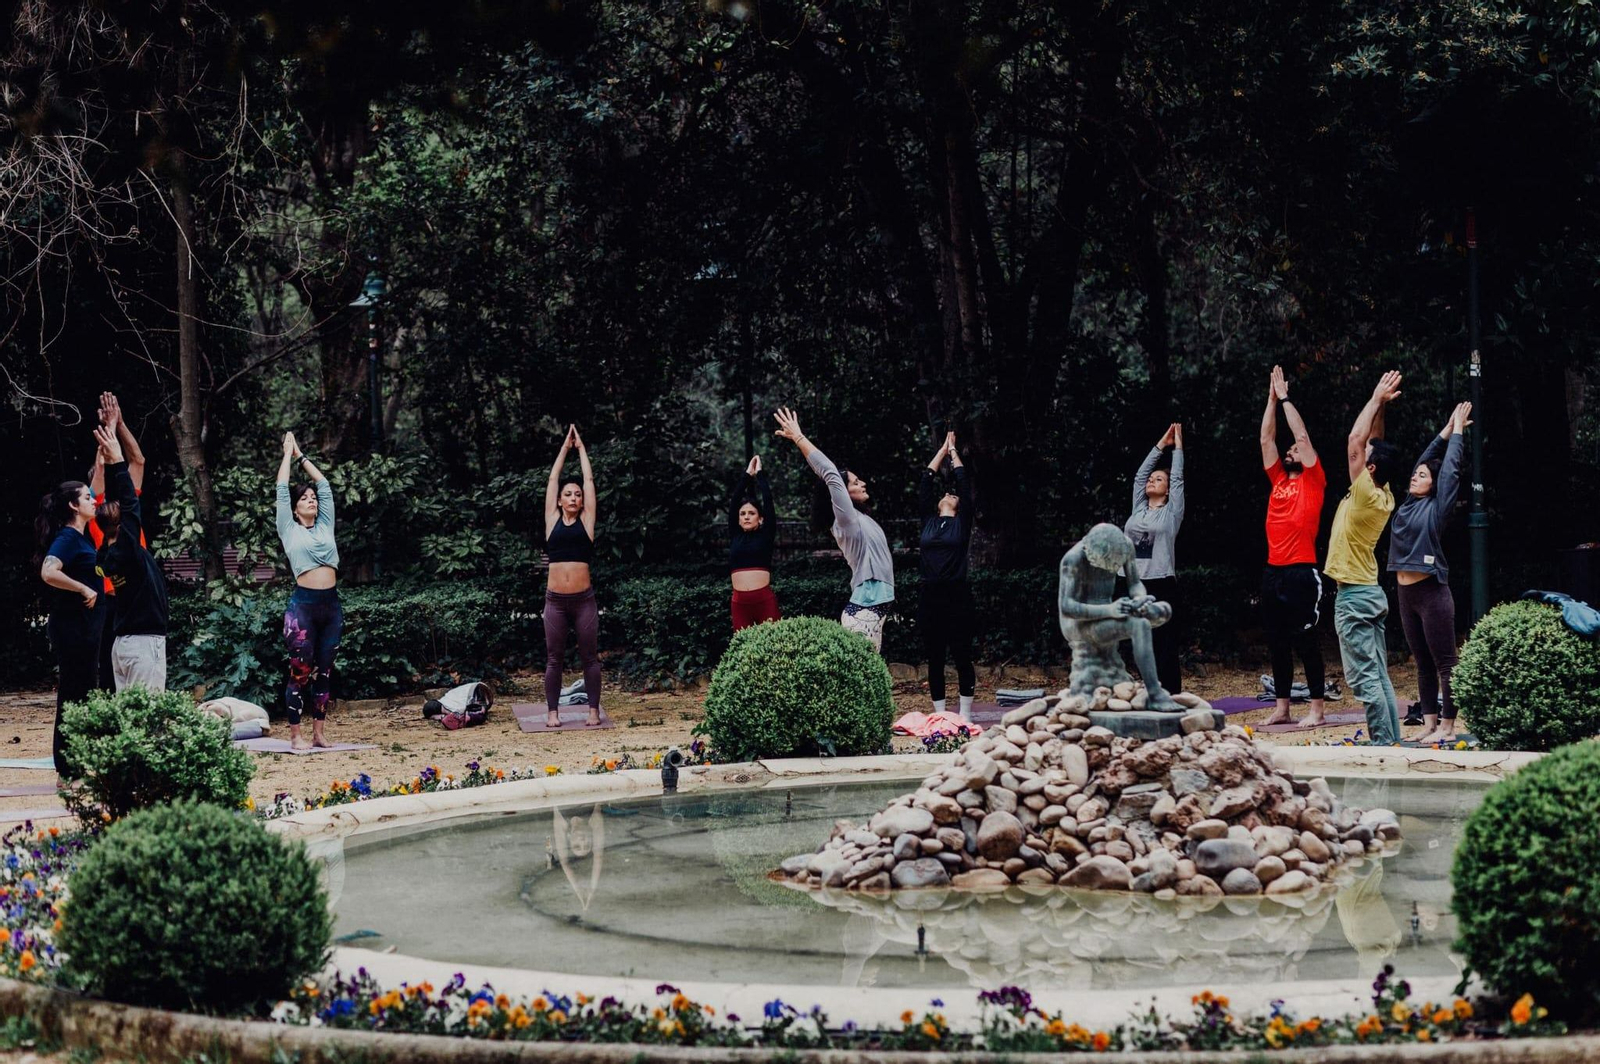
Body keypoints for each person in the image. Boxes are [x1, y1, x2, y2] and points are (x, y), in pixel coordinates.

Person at [1326, 371, 1405, 745]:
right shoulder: (1383, 492)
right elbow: (1373, 442)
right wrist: (1382, 406)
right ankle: (1392, 740)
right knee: (1379, 674)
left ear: (1369, 468)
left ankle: (1383, 745)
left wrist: (1374, 396)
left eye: (1367, 459)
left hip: (1355, 598)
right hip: (1369, 592)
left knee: (1365, 678)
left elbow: (1355, 441)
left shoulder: (1365, 494)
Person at [773, 406, 894, 651]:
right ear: (843, 493)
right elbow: (830, 474)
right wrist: (798, 437)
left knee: (871, 669)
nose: (863, 483)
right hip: (864, 608)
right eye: (856, 482)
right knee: (865, 670)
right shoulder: (846, 520)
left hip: (871, 607)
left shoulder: (862, 518)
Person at [1390, 402, 1471, 744]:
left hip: (1432, 594)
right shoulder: (1408, 503)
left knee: (1445, 662)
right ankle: (1428, 723)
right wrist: (1444, 430)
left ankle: (1448, 726)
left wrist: (1458, 432)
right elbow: (1426, 458)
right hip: (1405, 594)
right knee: (1422, 663)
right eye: (1416, 474)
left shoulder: (1437, 508)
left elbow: (1449, 471)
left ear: (1434, 485)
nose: (1415, 476)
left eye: (1423, 475)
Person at [1259, 366, 1329, 728]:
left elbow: (1300, 435)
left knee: (1306, 640)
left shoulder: (1314, 479)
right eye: (1289, 450)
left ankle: (1317, 709)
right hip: (1273, 571)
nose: (1291, 450)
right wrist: (1271, 401)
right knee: (1277, 642)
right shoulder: (1278, 479)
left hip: (1302, 570)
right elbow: (1266, 439)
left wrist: (1285, 397)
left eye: (1296, 450)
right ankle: (1283, 707)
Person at [275, 431, 341, 750]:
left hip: (331, 607)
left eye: (312, 498)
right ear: (295, 508)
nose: (312, 499)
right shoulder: (288, 528)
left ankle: (319, 734)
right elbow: (281, 489)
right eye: (304, 498)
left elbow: (324, 484)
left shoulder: (325, 524)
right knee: (300, 673)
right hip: (303, 608)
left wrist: (301, 455)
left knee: (324, 672)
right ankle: (296, 735)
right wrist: (287, 455)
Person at [91, 423, 169, 691]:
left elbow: (128, 502)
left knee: (127, 708)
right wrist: (115, 459)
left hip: (123, 642)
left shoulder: (105, 557)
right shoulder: (128, 550)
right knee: (149, 709)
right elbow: (130, 504)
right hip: (143, 642)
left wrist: (115, 429)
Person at [35, 476, 105, 774]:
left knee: (85, 691)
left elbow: (98, 486)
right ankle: (66, 766)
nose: (94, 501)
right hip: (71, 628)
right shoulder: (67, 538)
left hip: (85, 628)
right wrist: (82, 588)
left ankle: (76, 761)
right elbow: (48, 571)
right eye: (87, 497)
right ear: (73, 506)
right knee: (73, 692)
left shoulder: (82, 536)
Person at [86, 392, 147, 686]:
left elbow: (138, 460)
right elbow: (99, 470)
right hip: (114, 603)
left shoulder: (127, 512)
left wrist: (119, 424)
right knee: (112, 678)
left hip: (140, 598)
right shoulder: (96, 514)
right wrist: (108, 433)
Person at [543, 425, 601, 727]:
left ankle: (593, 711)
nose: (574, 497)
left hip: (583, 602)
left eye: (577, 495)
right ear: (559, 501)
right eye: (568, 494)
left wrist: (581, 450)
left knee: (589, 657)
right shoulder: (552, 520)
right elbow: (553, 479)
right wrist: (565, 449)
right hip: (555, 602)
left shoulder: (587, 522)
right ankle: (553, 713)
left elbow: (589, 480)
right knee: (554, 658)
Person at [919, 431, 977, 718]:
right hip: (930, 597)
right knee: (935, 657)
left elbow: (964, 485)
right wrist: (942, 450)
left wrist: (954, 453)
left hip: (957, 596)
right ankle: (940, 714)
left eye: (952, 495)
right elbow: (925, 482)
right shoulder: (928, 522)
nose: (948, 494)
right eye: (945, 494)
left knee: (962, 654)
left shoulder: (962, 524)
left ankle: (965, 715)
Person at [1125, 422, 1186, 694]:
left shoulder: (1172, 513)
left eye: (1159, 479)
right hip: (1133, 583)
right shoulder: (1138, 508)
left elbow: (1178, 478)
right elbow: (1140, 475)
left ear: (1168, 489)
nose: (1151, 480)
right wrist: (1162, 443)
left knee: (1164, 644)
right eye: (1153, 478)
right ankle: (1150, 690)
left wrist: (1178, 447)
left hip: (1161, 583)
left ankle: (1170, 695)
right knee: (1138, 642)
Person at [728, 454, 780, 631]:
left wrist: (760, 475)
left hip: (764, 601)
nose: (746, 517)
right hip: (739, 604)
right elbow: (734, 503)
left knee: (773, 643)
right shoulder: (735, 535)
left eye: (751, 513)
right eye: (743, 514)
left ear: (761, 518)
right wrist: (747, 475)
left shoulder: (766, 535)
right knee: (742, 644)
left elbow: (768, 503)